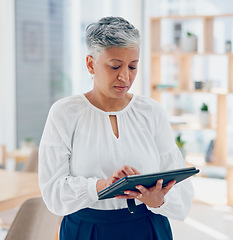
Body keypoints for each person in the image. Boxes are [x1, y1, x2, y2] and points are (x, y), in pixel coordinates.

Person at [38, 16, 194, 240]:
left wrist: (157, 199)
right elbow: (53, 192)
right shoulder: (65, 113)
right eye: (115, 66)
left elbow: (183, 194)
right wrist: (103, 186)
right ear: (91, 63)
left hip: (148, 226)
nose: (125, 77)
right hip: (87, 230)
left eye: (133, 66)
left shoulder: (151, 111)